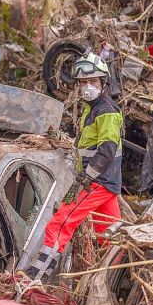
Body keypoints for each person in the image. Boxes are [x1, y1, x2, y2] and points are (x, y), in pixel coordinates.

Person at [28, 52, 123, 280]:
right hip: (105, 183)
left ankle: (35, 279)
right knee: (110, 236)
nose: (87, 87)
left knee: (60, 224)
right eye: (83, 83)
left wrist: (85, 178)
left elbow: (107, 150)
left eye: (93, 82)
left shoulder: (107, 111)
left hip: (97, 182)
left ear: (103, 83)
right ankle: (119, 278)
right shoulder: (91, 109)